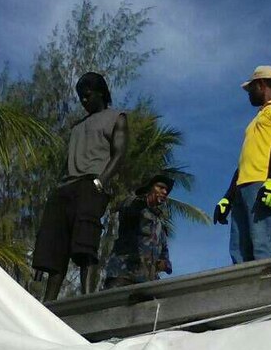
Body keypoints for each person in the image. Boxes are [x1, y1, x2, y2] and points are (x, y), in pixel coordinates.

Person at [32, 72, 128, 301]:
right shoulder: (76, 127)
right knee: (54, 249)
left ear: (101, 93)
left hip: (91, 184)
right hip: (66, 187)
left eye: (87, 96)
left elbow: (119, 153)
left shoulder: (117, 117)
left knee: (85, 244)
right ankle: (48, 303)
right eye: (80, 98)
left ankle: (86, 299)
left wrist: (100, 182)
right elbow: (66, 162)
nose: (83, 101)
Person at [213, 65, 271, 263]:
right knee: (240, 252)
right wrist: (227, 197)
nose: (249, 94)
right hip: (243, 189)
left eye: (250, 88)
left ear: (260, 85)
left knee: (265, 247)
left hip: (264, 185)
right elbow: (244, 162)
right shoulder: (256, 121)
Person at [103, 174, 174, 289]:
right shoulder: (133, 204)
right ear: (150, 188)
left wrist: (165, 264)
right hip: (124, 273)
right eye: (160, 187)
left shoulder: (159, 223)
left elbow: (164, 251)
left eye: (166, 190)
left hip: (147, 280)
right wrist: (144, 201)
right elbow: (127, 210)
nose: (164, 192)